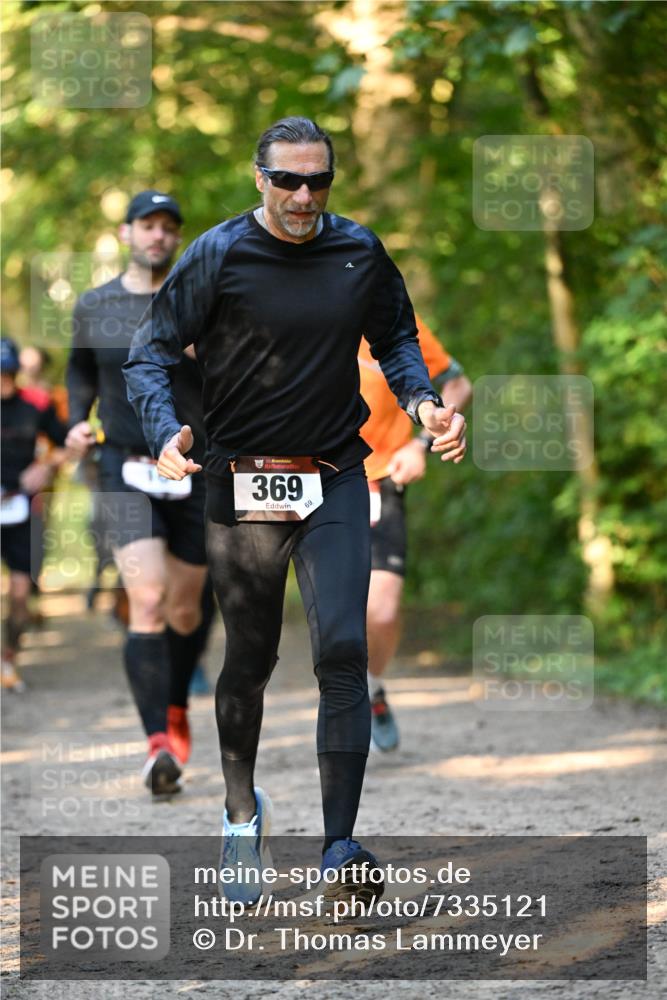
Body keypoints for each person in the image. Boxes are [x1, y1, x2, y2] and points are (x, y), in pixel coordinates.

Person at [124, 117, 466, 902]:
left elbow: (397, 341)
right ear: (259, 179)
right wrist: (162, 429)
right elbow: (149, 351)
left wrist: (421, 402)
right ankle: (242, 816)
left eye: (318, 181)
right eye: (288, 181)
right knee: (249, 662)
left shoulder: (359, 252)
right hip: (242, 481)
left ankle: (339, 846)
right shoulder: (216, 255)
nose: (304, 196)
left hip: (338, 473)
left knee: (342, 649)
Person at [65, 191, 210, 795]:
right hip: (124, 468)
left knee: (186, 608)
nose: (158, 236)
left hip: (195, 469)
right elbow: (79, 370)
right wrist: (78, 419)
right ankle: (156, 744)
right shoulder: (95, 305)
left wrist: (210, 351)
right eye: (147, 225)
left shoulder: (199, 300)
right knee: (147, 600)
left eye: (168, 227)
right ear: (127, 232)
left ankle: (175, 702)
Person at [359, 318, 472, 751]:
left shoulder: (396, 320)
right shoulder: (297, 305)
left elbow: (458, 386)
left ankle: (372, 688)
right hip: (313, 478)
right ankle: (342, 706)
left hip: (381, 477)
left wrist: (420, 443)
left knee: (382, 611)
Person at [1, 337, 67, 691]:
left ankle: (8, 658)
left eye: (7, 374)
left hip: (20, 510)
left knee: (21, 592)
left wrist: (45, 466)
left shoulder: (35, 406)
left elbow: (66, 444)